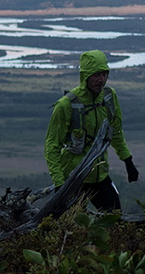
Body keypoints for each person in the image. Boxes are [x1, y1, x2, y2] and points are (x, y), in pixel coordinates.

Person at [45, 49, 139, 212]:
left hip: (100, 175)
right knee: (71, 228)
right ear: (85, 76)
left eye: (104, 74)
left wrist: (127, 160)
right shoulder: (66, 105)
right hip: (73, 178)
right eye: (96, 75)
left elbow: (115, 131)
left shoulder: (109, 97)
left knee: (115, 220)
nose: (101, 80)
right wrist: (60, 183)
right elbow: (52, 146)